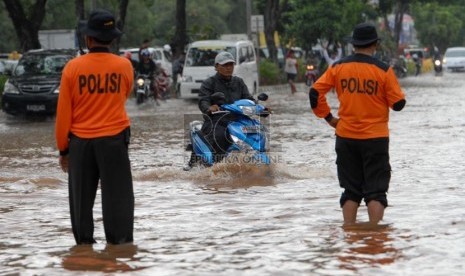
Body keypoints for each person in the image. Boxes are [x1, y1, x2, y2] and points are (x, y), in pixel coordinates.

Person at [309, 22, 406, 225]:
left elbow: (315, 92)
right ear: (375, 44)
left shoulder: (337, 67)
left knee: (351, 191)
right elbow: (398, 104)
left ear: (354, 44)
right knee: (376, 192)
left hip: (345, 137)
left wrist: (329, 118)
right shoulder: (383, 70)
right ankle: (374, 235)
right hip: (375, 139)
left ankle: (350, 232)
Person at [55, 8, 135, 245]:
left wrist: (63, 150)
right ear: (112, 39)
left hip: (80, 143)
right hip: (114, 140)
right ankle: (119, 249)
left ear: (88, 38)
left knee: (80, 204)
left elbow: (63, 115)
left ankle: (84, 250)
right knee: (118, 199)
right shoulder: (124, 67)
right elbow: (123, 96)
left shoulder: (72, 68)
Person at [184, 51, 265, 171]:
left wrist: (260, 108)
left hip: (239, 121)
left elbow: (248, 99)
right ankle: (218, 167)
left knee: (259, 131)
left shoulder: (239, 82)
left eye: (231, 65)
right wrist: (209, 108)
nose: (228, 68)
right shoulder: (209, 83)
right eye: (225, 65)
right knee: (220, 136)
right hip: (216, 122)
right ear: (216, 67)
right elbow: (203, 101)